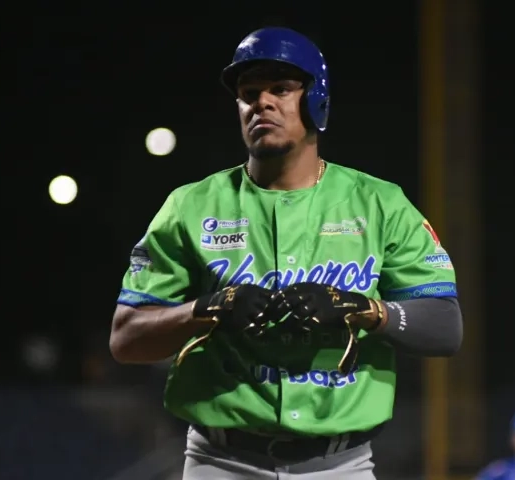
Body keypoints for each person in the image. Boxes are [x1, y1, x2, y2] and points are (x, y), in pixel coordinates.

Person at [109, 26, 463, 480]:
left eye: (281, 88)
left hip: (342, 465)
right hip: (220, 461)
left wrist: (363, 309)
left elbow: (444, 327)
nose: (262, 102)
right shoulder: (191, 206)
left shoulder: (379, 203)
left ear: (316, 99)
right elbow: (126, 339)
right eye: (248, 93)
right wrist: (207, 309)